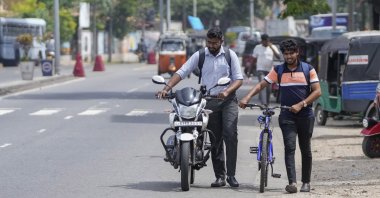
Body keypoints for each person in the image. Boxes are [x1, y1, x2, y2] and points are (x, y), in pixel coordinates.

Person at [156, 27, 243, 188]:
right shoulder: (200, 55)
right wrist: (166, 88)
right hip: (209, 100)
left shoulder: (231, 56)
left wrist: (227, 91)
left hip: (228, 101)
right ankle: (220, 176)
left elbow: (238, 79)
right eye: (209, 42)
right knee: (215, 139)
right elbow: (182, 72)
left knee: (230, 135)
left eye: (214, 43)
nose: (211, 45)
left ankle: (231, 175)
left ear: (221, 42)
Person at [239, 39, 321, 193]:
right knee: (289, 148)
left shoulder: (308, 69)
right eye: (286, 54)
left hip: (305, 115)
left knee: (305, 149)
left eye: (291, 53)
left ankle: (306, 182)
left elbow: (317, 91)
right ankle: (293, 183)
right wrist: (247, 97)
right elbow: (261, 85)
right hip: (286, 115)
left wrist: (301, 104)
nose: (289, 56)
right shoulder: (278, 70)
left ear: (297, 53)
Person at [251, 33, 281, 105]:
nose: (267, 42)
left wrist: (272, 48)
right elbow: (254, 59)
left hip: (270, 71)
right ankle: (264, 103)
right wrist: (250, 70)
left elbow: (278, 57)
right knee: (263, 85)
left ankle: (267, 103)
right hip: (260, 69)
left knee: (269, 88)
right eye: (265, 41)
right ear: (262, 41)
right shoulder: (257, 47)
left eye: (268, 41)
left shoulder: (273, 47)